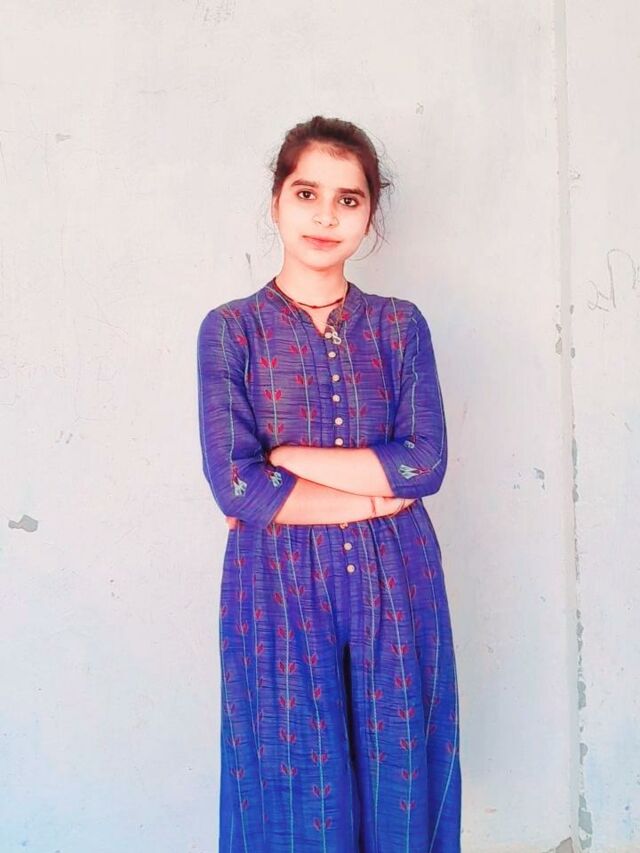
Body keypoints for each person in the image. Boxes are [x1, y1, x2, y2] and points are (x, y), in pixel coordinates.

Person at [197, 115, 461, 852]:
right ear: (276, 200)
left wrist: (283, 456)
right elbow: (237, 487)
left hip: (396, 579)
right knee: (291, 789)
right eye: (307, 192)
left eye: (348, 199)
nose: (325, 215)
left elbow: (424, 465)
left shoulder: (399, 326)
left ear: (369, 214)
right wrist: (373, 498)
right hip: (274, 588)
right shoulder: (232, 330)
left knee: (399, 773)